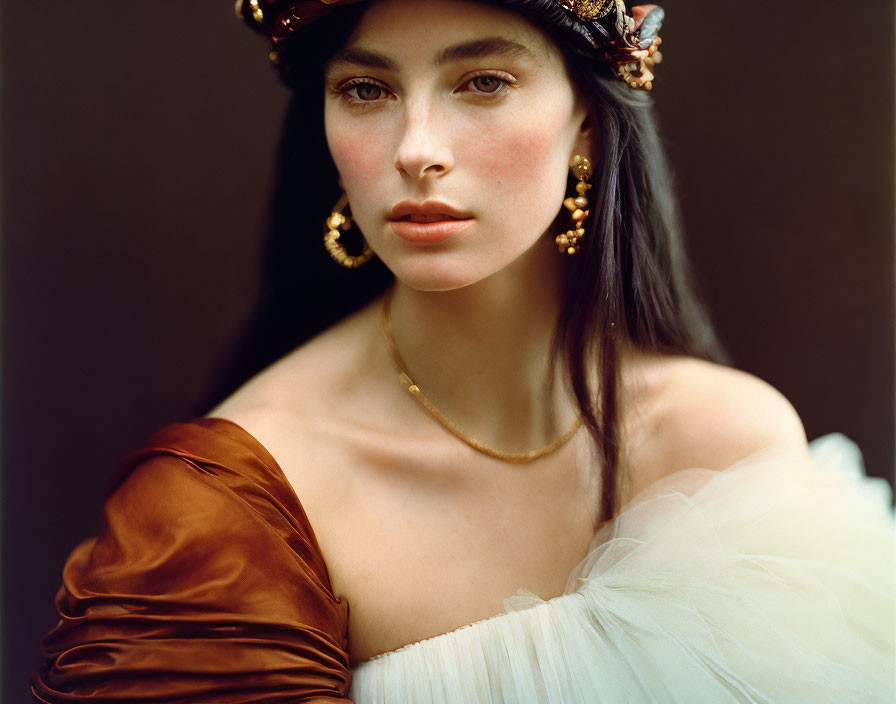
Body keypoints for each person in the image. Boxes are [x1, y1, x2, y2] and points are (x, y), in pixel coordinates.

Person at [29, 0, 894, 702]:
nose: (416, 151)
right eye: (367, 91)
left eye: (482, 81)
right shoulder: (230, 513)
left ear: (588, 123)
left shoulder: (721, 444)